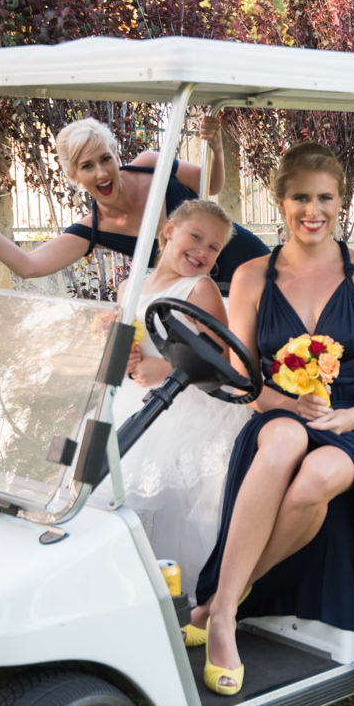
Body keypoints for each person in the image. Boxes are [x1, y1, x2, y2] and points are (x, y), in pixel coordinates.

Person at [186, 143, 354, 696]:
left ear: (341, 201)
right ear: (281, 202)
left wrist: (350, 414)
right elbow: (243, 378)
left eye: (325, 197)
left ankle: (224, 599)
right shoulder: (251, 277)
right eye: (301, 197)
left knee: (315, 480)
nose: (314, 210)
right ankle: (224, 623)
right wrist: (287, 404)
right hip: (277, 409)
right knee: (282, 442)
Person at [0, 115, 268, 296]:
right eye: (87, 166)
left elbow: (212, 184)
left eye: (105, 159)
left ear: (116, 155)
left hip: (247, 259)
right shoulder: (92, 228)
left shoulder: (151, 164)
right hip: (202, 293)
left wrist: (215, 150)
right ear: (73, 175)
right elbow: (28, 266)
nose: (101, 172)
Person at [112, 199, 251, 578]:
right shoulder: (129, 285)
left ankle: (176, 582)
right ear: (169, 231)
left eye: (213, 248)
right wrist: (122, 356)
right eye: (196, 237)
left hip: (187, 400)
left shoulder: (199, 288)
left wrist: (165, 367)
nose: (202, 251)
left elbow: (219, 358)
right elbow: (126, 342)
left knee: (154, 485)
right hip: (135, 397)